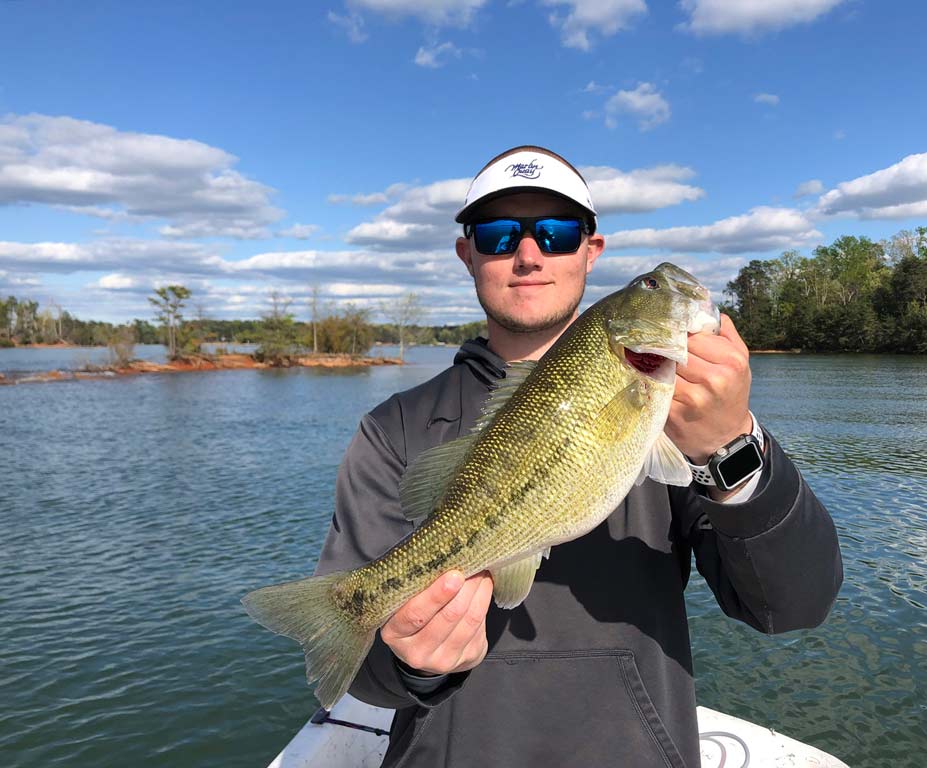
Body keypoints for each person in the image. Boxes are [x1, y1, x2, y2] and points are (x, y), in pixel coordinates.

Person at [315, 145, 843, 768]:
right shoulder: (393, 427)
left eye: (558, 233)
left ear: (591, 251)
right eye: (498, 233)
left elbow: (792, 607)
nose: (529, 254)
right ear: (468, 253)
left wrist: (732, 448)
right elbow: (366, 681)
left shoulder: (683, 415)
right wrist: (412, 665)